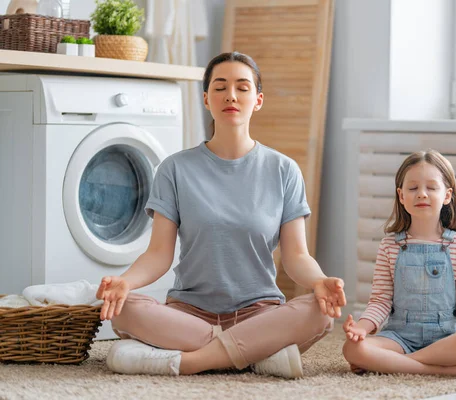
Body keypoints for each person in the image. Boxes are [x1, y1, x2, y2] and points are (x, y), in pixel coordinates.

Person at [96, 52, 346, 378]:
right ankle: (256, 353)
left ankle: (193, 361)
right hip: (189, 314)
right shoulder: (175, 169)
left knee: (319, 311)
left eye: (242, 87)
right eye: (220, 87)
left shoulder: (284, 170)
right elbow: (158, 254)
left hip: (260, 312)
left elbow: (296, 256)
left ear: (257, 100)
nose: (231, 95)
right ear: (205, 99)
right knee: (124, 309)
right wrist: (124, 282)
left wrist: (319, 281)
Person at [342, 149, 456, 379]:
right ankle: (439, 369)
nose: (421, 194)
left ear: (447, 195)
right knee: (352, 349)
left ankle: (394, 364)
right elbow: (381, 301)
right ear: (401, 196)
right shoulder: (389, 245)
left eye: (431, 188)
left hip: (445, 337)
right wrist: (361, 328)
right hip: (399, 337)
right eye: (413, 188)